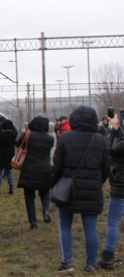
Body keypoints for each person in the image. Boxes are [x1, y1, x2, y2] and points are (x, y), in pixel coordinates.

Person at [51, 105, 110, 273]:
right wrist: (97, 183)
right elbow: (106, 167)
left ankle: (66, 262)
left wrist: (54, 183)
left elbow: (57, 166)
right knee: (90, 227)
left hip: (68, 190)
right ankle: (91, 263)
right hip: (92, 189)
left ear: (73, 120)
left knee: (65, 226)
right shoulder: (100, 140)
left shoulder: (65, 138)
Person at [15, 115, 55, 229]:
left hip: (29, 170)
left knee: (29, 196)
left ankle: (33, 222)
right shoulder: (50, 138)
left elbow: (17, 143)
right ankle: (46, 211)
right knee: (45, 192)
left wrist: (24, 133)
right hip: (45, 169)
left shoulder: (28, 135)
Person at [100, 113, 124, 269]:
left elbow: (108, 149)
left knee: (113, 221)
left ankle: (108, 257)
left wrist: (112, 131)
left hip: (121, 187)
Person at [0, 118, 18, 194]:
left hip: (0, 155)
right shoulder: (14, 134)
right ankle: (11, 188)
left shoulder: (1, 134)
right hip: (10, 155)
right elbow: (15, 130)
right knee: (8, 171)